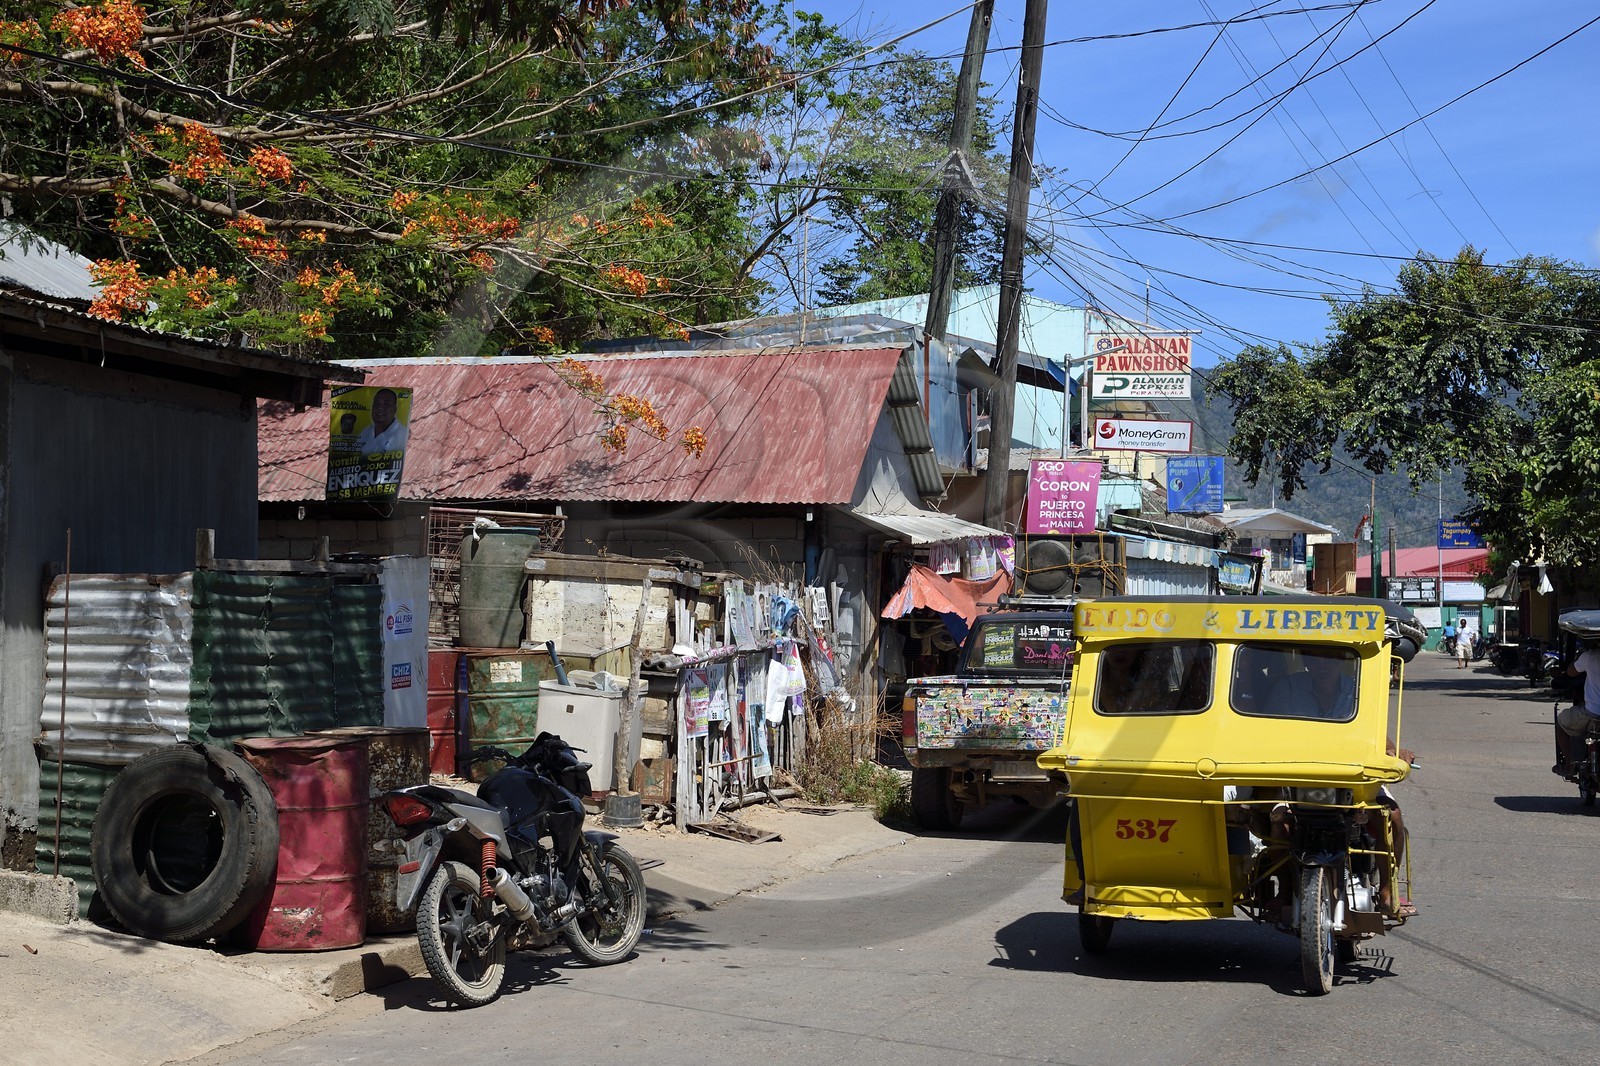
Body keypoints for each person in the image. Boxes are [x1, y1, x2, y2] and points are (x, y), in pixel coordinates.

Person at [1265, 648, 1356, 721]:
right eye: (1314, 660)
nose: (1322, 668)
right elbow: (1269, 726)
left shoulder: (1356, 690)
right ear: (1305, 662)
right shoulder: (1288, 689)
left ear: (1341, 661)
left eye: (1329, 660)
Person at [1557, 640, 1600, 771]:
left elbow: (1571, 672)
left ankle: (1569, 764)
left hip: (1592, 713)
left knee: (1560, 721)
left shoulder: (1589, 656)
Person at [356, 387, 407, 456]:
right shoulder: (366, 432)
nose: (380, 408)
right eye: (377, 403)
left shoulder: (402, 436)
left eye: (387, 404)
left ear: (395, 409)